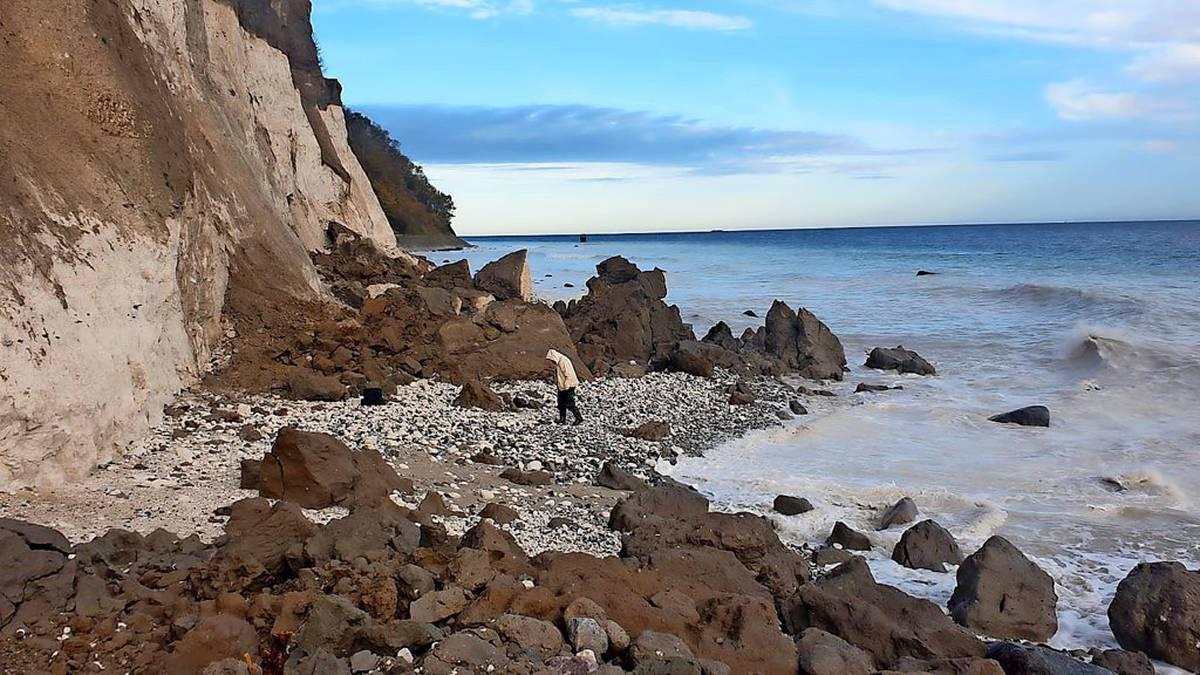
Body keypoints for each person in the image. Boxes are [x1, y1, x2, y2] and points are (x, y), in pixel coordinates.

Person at [545, 349, 583, 425]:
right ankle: (562, 419)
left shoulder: (563, 361)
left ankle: (579, 418)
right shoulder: (559, 361)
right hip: (563, 386)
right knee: (561, 403)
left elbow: (568, 375)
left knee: (569, 403)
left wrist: (566, 387)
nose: (552, 362)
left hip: (568, 385)